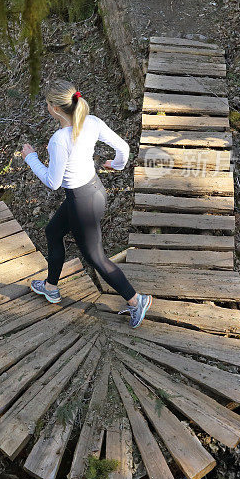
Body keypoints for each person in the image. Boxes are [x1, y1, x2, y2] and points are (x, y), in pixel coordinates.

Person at [21, 79, 152, 328]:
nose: (47, 107)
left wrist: (31, 158)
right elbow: (123, 147)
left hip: (82, 203)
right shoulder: (91, 122)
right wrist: (117, 165)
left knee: (97, 258)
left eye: (48, 103)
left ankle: (137, 300)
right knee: (53, 231)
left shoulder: (59, 140)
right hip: (92, 193)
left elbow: (53, 182)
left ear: (55, 109)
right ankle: (51, 287)